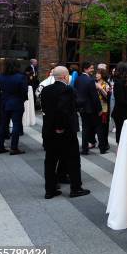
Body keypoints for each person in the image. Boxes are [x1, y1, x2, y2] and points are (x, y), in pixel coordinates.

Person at [40, 66, 90, 199]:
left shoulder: (45, 90)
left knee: (50, 160)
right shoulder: (67, 90)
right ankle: (76, 188)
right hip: (65, 131)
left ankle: (49, 190)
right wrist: (60, 126)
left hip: (48, 130)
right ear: (64, 76)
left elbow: (45, 108)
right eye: (68, 76)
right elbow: (62, 110)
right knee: (73, 159)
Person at [0, 59, 28, 155]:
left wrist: (1, 99)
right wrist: (22, 99)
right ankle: (14, 147)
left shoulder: (0, 77)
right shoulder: (20, 77)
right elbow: (24, 91)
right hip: (17, 103)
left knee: (3, 125)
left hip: (4, 103)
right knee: (16, 125)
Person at [75, 62, 105, 155]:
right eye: (91, 68)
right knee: (99, 128)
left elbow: (76, 93)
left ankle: (84, 149)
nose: (93, 70)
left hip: (82, 108)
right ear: (85, 69)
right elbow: (94, 96)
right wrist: (100, 109)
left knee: (85, 128)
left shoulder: (78, 80)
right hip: (92, 109)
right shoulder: (90, 80)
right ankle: (102, 148)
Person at [111, 62, 127, 144]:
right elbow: (121, 100)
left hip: (124, 113)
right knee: (120, 133)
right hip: (121, 114)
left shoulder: (125, 82)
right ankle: (120, 151)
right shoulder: (118, 83)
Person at [95, 69, 111, 149]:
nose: (96, 75)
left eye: (98, 74)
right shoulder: (94, 83)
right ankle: (101, 142)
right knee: (98, 127)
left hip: (104, 109)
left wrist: (101, 88)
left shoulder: (106, 84)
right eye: (96, 73)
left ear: (102, 75)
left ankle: (104, 143)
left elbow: (108, 96)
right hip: (95, 108)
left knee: (104, 127)